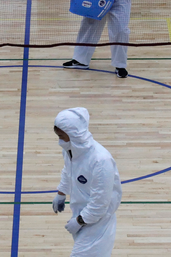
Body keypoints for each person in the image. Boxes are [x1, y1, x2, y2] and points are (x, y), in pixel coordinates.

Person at [52, 107, 122, 257]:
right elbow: (68, 171)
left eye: (62, 136)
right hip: (81, 215)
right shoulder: (71, 149)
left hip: (98, 223)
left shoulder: (100, 161)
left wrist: (79, 221)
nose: (60, 141)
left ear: (74, 134)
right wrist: (61, 193)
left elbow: (100, 203)